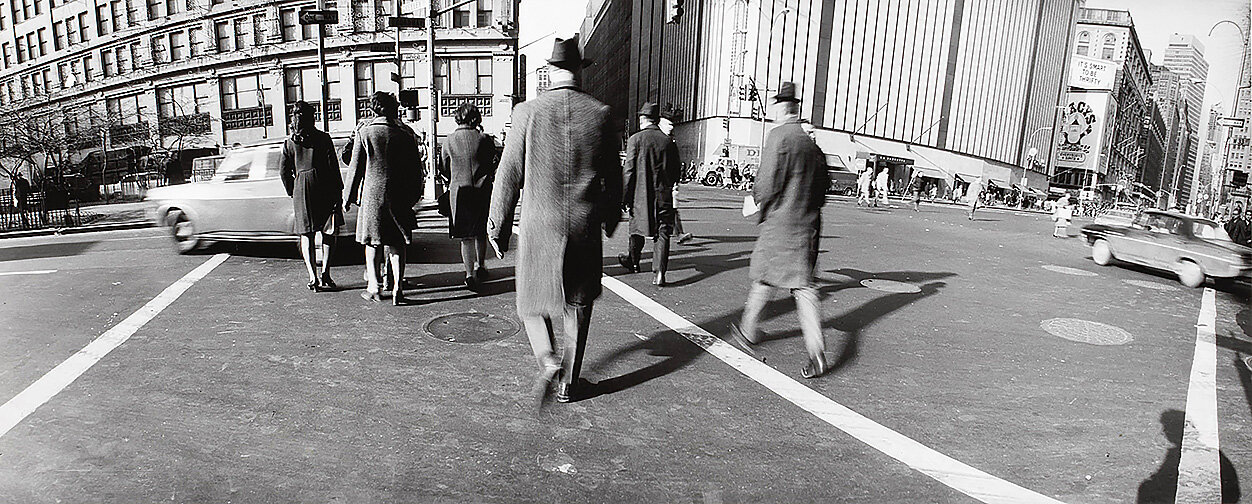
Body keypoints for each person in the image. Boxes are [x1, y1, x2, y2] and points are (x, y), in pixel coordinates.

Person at [487, 36, 622, 405]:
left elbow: (509, 172)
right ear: (580, 70)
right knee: (578, 304)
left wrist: (496, 226)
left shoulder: (526, 113)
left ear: (549, 71)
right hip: (582, 225)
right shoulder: (599, 113)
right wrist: (609, 219)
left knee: (532, 300)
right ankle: (568, 381)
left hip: (539, 224)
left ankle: (547, 357)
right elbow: (614, 175)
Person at [726, 82, 831, 379]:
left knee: (764, 278)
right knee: (805, 288)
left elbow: (767, 182)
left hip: (780, 226)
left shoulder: (779, 137)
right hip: (807, 227)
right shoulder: (813, 146)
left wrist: (756, 201)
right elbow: (824, 192)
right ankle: (816, 351)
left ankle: (747, 331)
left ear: (782, 109)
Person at [346, 92, 420, 305]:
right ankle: (397, 288)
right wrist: (413, 196)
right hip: (399, 194)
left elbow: (356, 168)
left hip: (372, 196)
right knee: (397, 243)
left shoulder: (365, 132)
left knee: (372, 242)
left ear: (373, 109)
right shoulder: (405, 134)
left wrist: (348, 197)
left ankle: (374, 287)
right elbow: (416, 170)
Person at [281, 101, 345, 292]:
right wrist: (338, 193)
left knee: (306, 234)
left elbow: (284, 172)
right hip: (324, 186)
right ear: (312, 117)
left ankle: (312, 276)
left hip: (302, 189)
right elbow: (333, 168)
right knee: (328, 232)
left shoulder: (289, 142)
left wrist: (293, 190)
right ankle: (326, 273)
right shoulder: (323, 138)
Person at [618, 102, 681, 286]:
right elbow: (676, 172)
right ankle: (660, 272)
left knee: (636, 228)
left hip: (640, 196)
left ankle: (633, 261)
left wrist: (624, 197)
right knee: (662, 233)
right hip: (663, 196)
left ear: (642, 119)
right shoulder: (668, 141)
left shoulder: (635, 140)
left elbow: (628, 171)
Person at [437, 103, 498, 291]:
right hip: (482, 191)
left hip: (459, 193)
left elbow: (443, 168)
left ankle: (469, 273)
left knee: (465, 237)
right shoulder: (485, 139)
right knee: (481, 231)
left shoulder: (449, 140)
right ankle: (481, 265)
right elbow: (493, 163)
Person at [659, 113, 694, 244]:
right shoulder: (658, 138)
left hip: (667, 183)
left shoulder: (670, 140)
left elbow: (675, 163)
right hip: (659, 182)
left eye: (672, 125)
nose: (671, 127)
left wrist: (675, 181)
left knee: (672, 208)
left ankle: (678, 232)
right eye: (669, 124)